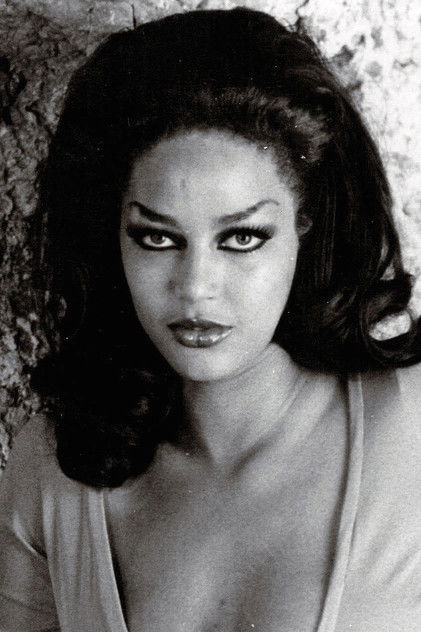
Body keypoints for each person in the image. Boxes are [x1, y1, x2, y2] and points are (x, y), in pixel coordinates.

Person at [0, 7, 420, 632]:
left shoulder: (413, 430)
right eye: (157, 238)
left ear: (304, 226)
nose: (196, 288)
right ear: (112, 236)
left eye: (242, 238)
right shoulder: (53, 467)